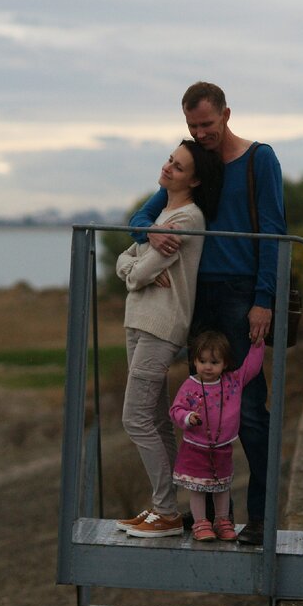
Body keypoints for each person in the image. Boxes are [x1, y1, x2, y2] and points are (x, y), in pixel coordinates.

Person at [129, 81, 285, 546]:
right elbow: (141, 217)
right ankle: (217, 519)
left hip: (242, 296)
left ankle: (260, 518)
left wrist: (264, 300)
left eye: (207, 124)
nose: (201, 133)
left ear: (226, 114)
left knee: (251, 411)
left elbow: (275, 231)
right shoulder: (199, 163)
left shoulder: (261, 160)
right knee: (204, 407)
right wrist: (150, 235)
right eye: (193, 126)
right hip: (198, 296)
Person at [114, 139, 224, 538]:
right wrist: (135, 267)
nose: (167, 168)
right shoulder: (162, 213)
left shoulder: (187, 219)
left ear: (193, 179)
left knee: (135, 418)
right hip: (139, 319)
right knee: (156, 418)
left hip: (162, 325)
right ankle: (165, 508)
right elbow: (124, 259)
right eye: (169, 161)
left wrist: (135, 270)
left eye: (177, 167)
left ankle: (166, 511)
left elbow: (138, 273)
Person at [170, 330, 266, 542]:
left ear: (225, 363)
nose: (207, 366)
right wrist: (187, 417)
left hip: (222, 448)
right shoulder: (190, 385)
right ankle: (200, 522)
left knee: (222, 487)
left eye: (214, 361)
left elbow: (252, 367)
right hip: (195, 447)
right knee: (198, 488)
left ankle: (223, 521)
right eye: (202, 360)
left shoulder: (232, 381)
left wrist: (258, 344)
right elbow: (175, 409)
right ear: (194, 361)